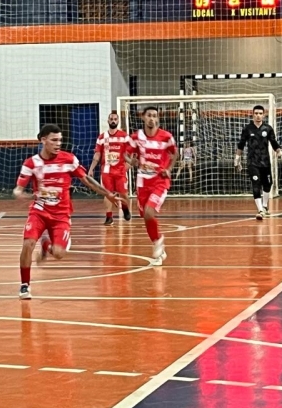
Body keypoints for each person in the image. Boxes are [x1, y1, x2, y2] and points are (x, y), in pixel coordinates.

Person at [14, 124, 122, 299]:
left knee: (58, 254)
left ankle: (46, 245)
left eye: (60, 140)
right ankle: (25, 285)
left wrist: (108, 195)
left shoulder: (68, 160)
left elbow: (87, 179)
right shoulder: (31, 163)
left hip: (61, 215)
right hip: (39, 212)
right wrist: (20, 193)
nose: (58, 144)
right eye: (54, 140)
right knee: (27, 244)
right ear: (43, 140)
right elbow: (18, 188)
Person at [126, 106, 176, 265]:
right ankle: (157, 243)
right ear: (143, 117)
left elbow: (175, 153)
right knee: (146, 217)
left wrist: (168, 169)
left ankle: (159, 240)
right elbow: (125, 154)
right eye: (149, 116)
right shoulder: (136, 137)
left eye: (155, 116)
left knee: (149, 212)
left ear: (158, 118)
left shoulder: (166, 137)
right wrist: (131, 161)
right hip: (142, 182)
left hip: (159, 181)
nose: (152, 119)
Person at [235, 105, 282, 219]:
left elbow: (274, 143)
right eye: (256, 113)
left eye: (260, 113)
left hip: (265, 162)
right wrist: (237, 159)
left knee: (268, 184)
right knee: (256, 184)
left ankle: (265, 206)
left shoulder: (267, 128)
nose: (258, 115)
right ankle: (260, 210)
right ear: (252, 114)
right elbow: (241, 145)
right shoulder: (247, 129)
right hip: (252, 162)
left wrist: (280, 153)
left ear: (264, 115)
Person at [87, 111, 132, 226]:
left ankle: (125, 208)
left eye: (115, 119)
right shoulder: (102, 137)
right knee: (107, 194)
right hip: (107, 171)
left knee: (124, 194)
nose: (113, 120)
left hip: (120, 170)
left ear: (118, 121)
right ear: (108, 121)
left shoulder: (124, 136)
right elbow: (97, 154)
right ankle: (109, 217)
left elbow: (130, 153)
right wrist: (91, 168)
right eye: (111, 118)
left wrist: (129, 165)